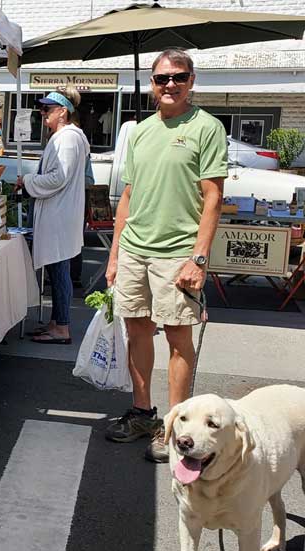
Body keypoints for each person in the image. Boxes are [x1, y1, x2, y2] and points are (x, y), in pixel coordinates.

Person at [103, 49, 227, 463]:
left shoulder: (207, 128)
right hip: (136, 249)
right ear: (152, 85)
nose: (169, 84)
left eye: (178, 77)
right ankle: (143, 412)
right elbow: (128, 196)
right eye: (161, 79)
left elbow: (213, 198)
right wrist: (115, 255)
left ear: (192, 81)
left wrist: (199, 258)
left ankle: (174, 428)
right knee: (136, 330)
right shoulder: (138, 132)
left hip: (177, 254)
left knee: (177, 338)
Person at [16, 86, 90, 345]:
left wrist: (28, 180)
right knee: (58, 271)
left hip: (59, 216)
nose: (41, 112)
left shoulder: (67, 138)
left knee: (59, 272)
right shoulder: (66, 137)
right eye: (42, 108)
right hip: (59, 214)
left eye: (47, 109)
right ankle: (58, 321)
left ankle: (62, 327)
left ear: (62, 112)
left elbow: (59, 177)